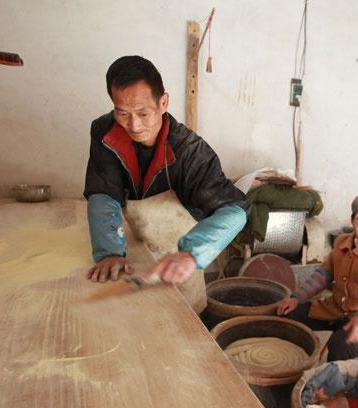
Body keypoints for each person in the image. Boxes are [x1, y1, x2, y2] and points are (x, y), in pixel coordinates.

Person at [84, 55, 248, 284]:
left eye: (143, 113)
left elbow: (234, 211)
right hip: (131, 249)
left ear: (163, 103)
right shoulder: (105, 132)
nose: (134, 125)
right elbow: (103, 191)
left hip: (178, 260)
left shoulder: (190, 151)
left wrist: (191, 254)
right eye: (123, 114)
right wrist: (110, 252)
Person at [277, 195, 358, 361]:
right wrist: (297, 298)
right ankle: (292, 362)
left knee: (340, 344)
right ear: (352, 220)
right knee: (288, 314)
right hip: (334, 309)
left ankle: (331, 385)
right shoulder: (342, 242)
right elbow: (323, 274)